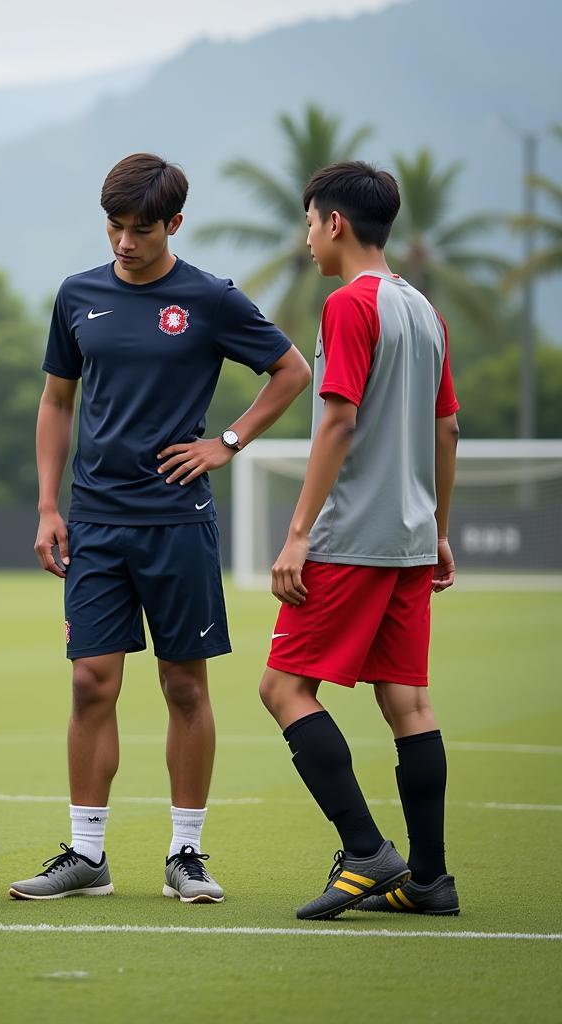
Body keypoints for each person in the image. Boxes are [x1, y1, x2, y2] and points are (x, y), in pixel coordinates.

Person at [9, 153, 311, 903]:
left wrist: (228, 443)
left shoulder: (209, 298)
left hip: (179, 521)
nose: (124, 242)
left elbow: (292, 371)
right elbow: (55, 403)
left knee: (183, 685)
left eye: (140, 229)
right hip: (97, 522)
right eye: (114, 227)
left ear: (174, 224)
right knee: (90, 683)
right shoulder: (77, 295)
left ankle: (186, 855)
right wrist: (49, 506)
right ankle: (85, 855)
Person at [259, 160, 461, 921]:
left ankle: (368, 850)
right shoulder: (424, 310)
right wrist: (439, 530)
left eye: (310, 223)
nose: (308, 239)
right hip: (410, 539)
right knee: (408, 702)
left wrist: (298, 533)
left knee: (282, 688)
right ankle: (431, 880)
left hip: (350, 540)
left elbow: (338, 419)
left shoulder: (350, 306)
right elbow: (447, 428)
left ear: (334, 223)